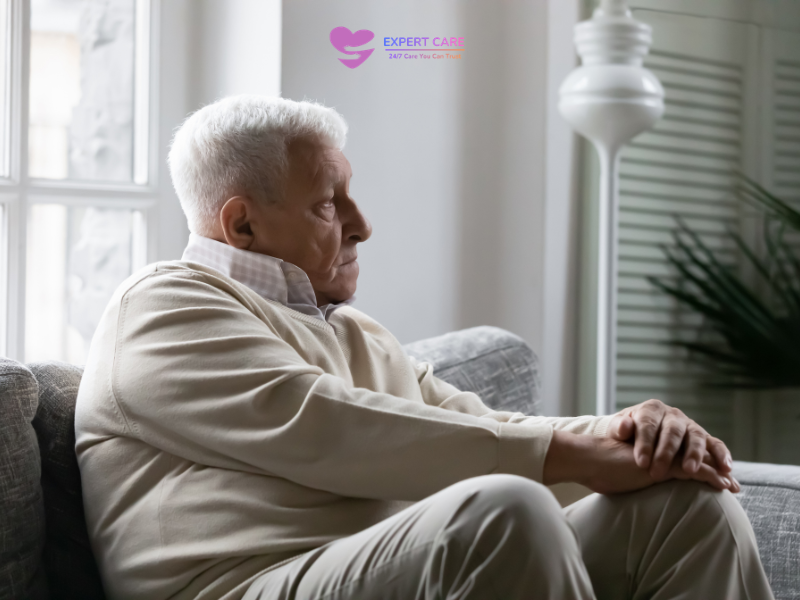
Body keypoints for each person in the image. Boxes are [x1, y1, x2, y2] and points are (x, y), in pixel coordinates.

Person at [75, 95, 774, 600]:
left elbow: (480, 427)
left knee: (685, 506)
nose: (363, 224)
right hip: (245, 583)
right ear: (242, 224)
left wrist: (628, 436)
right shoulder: (165, 305)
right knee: (504, 512)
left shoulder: (353, 331)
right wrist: (572, 454)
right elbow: (330, 428)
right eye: (328, 204)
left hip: (390, 573)